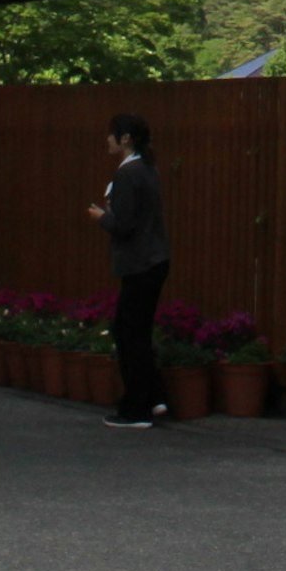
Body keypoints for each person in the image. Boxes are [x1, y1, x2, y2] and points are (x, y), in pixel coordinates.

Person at [89, 111, 169, 427]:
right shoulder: (148, 169)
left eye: (112, 134)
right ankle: (154, 396)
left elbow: (124, 225)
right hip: (155, 259)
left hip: (138, 263)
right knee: (137, 330)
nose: (107, 139)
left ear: (125, 139)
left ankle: (136, 408)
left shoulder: (126, 174)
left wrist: (100, 216)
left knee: (128, 333)